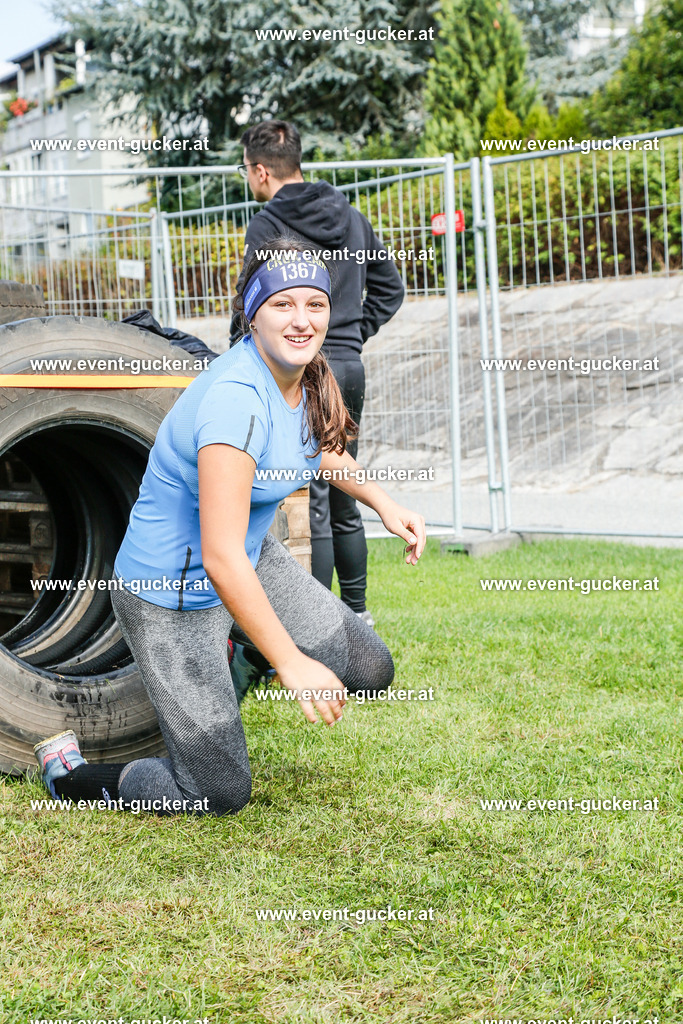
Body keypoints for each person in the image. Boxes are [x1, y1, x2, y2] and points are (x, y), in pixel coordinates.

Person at [33, 241, 426, 817]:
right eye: (283, 305)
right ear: (252, 311)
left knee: (369, 668)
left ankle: (240, 653)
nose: (302, 320)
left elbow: (316, 452)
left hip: (251, 559)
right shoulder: (235, 402)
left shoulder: (305, 375)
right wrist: (290, 661)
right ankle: (70, 774)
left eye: (315, 305)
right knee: (215, 793)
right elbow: (219, 556)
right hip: (174, 593)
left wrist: (383, 503)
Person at [230, 119, 405, 627]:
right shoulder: (351, 216)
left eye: (246, 170)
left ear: (261, 170)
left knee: (316, 503)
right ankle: (358, 615)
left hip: (297, 372)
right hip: (349, 365)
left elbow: (249, 304)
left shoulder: (267, 224)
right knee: (344, 494)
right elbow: (391, 290)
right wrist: (348, 336)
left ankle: (320, 626)